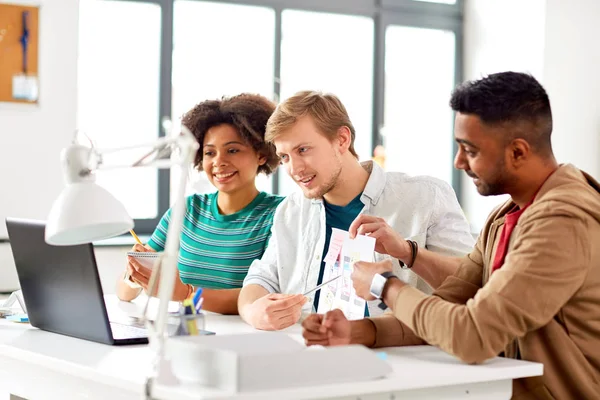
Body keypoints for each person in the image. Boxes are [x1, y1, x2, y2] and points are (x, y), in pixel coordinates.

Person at [302, 72, 600, 399]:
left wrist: (383, 285)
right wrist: (360, 332)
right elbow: (445, 308)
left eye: (469, 150)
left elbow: (472, 334)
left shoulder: (562, 221)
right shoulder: (506, 216)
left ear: (518, 152)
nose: (459, 162)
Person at [238, 90, 475, 330]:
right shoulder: (291, 210)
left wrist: (406, 252)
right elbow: (261, 278)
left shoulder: (425, 197)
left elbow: (472, 286)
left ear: (342, 139)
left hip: (398, 356)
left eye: (303, 150)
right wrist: (252, 311)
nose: (294, 168)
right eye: (285, 157)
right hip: (309, 352)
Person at [116, 93, 284, 314]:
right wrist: (134, 273)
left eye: (232, 150)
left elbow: (264, 296)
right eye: (209, 152)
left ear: (261, 155)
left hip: (242, 336)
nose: (218, 162)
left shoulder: (279, 214)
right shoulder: (187, 210)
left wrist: (187, 294)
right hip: (186, 330)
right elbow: (123, 293)